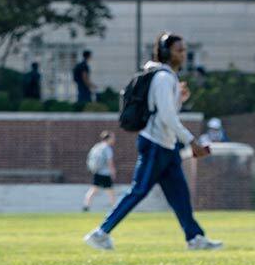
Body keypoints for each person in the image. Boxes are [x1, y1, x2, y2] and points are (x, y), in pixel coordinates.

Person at [84, 32, 222, 252]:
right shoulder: (163, 78)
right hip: (155, 145)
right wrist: (191, 141)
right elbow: (167, 117)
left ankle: (194, 238)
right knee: (138, 191)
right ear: (167, 52)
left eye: (184, 50)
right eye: (179, 50)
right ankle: (101, 233)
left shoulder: (166, 78)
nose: (183, 54)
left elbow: (163, 110)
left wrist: (179, 98)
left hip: (166, 146)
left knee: (180, 195)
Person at [82, 130, 115, 212]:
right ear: (108, 138)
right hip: (105, 173)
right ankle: (115, 208)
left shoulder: (97, 146)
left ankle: (86, 205)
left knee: (93, 190)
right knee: (110, 190)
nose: (114, 139)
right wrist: (113, 172)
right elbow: (109, 162)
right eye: (112, 138)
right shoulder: (107, 148)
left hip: (97, 172)